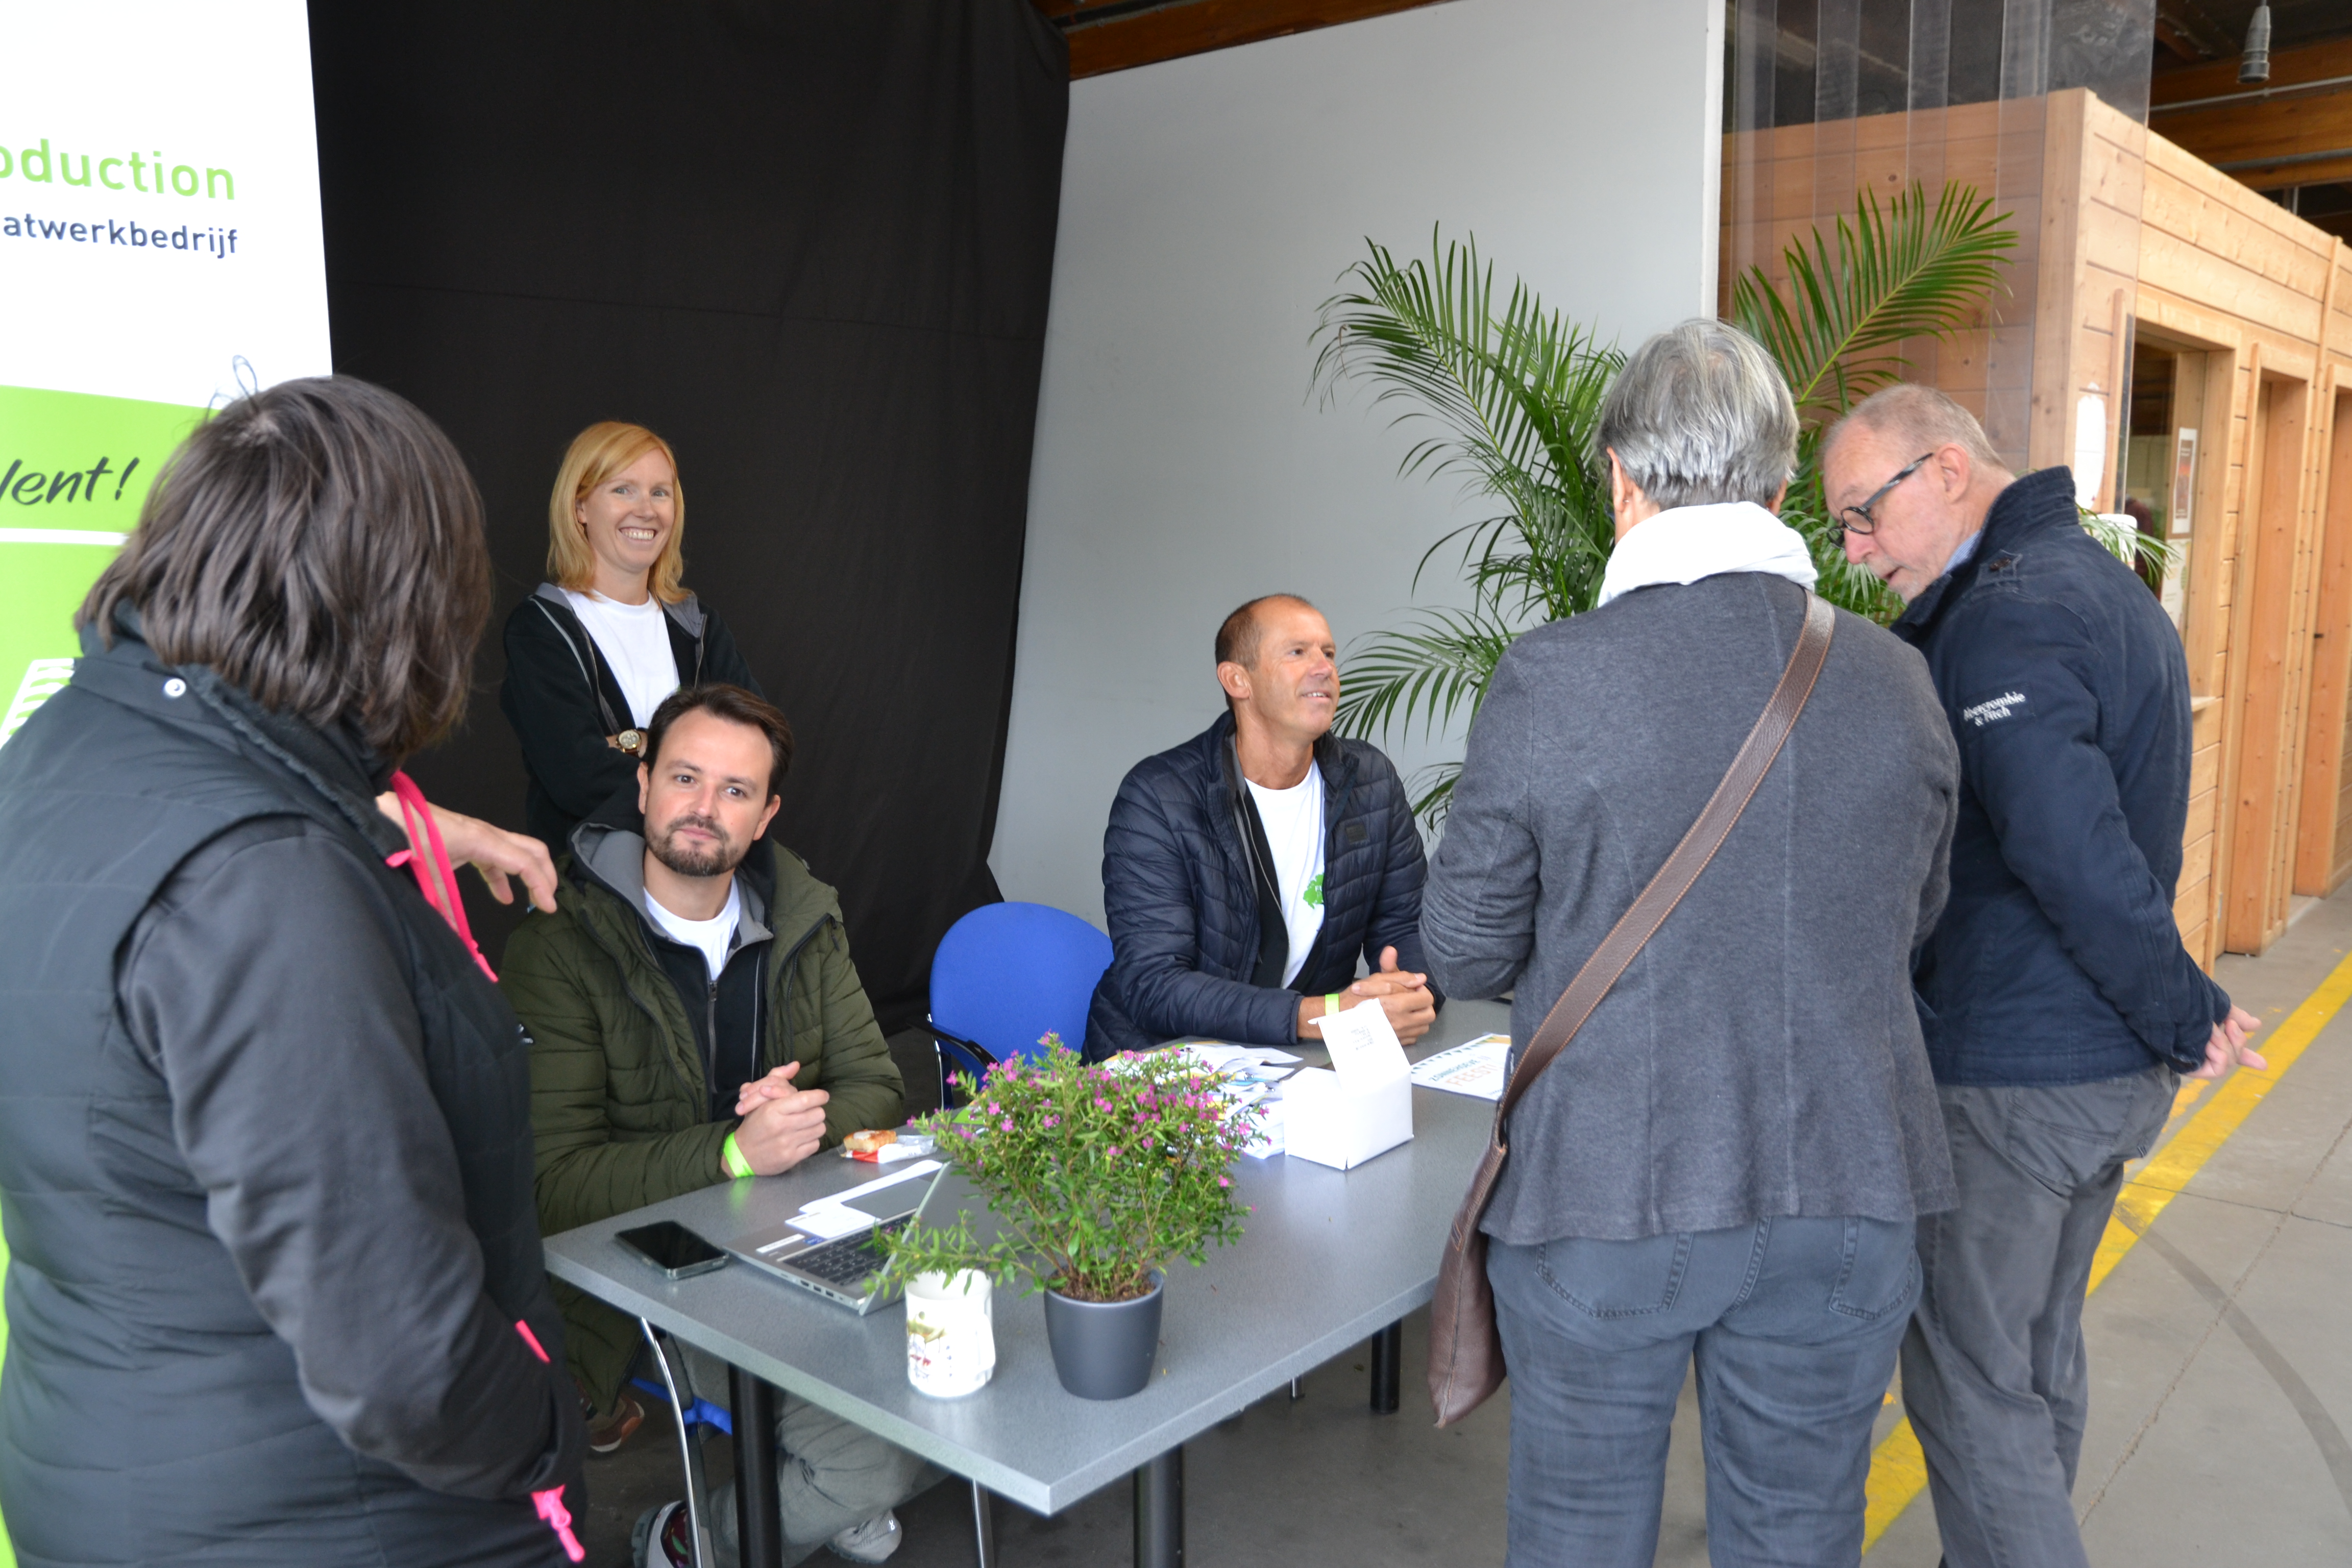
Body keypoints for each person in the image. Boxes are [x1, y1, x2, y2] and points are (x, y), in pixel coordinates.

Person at [0, 377, 586, 1566]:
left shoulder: (55, 762)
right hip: (333, 1514)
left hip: (102, 1459)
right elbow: (404, 1356)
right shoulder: (261, 877)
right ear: (402, 608)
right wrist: (544, 1431)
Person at [1420, 320, 1962, 1566]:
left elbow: (1464, 950)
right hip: (1849, 1184)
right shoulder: (1897, 679)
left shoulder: (1556, 676)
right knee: (1797, 1533)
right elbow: (1916, 921)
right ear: (1779, 487)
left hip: (1610, 1190)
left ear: (1622, 480)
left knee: (1580, 1533)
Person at [1822, 383, 2265, 1568]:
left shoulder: (2005, 620)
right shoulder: (2100, 587)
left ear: (1945, 470)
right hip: (2092, 1066)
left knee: (1971, 1391)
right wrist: (2170, 1012)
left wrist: (2184, 1006)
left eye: (1863, 514)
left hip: (2016, 1077)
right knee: (2034, 1359)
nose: (1855, 551)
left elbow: (2069, 850)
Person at [499, 682, 928, 1567]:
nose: (704, 807)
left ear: (765, 815)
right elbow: (553, 1187)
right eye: (685, 777)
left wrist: (792, 1124)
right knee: (872, 1464)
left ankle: (818, 1486)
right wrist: (731, 1152)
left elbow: (878, 1087)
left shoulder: (804, 916)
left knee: (975, 1376)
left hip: (808, 1235)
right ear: (644, 783)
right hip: (650, 1270)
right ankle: (692, 1538)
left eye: (735, 790)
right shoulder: (559, 943)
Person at [1083, 593, 1439, 1061]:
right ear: (1238, 680)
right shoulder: (1158, 796)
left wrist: (1408, 990)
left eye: (1329, 653)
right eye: (1298, 652)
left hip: (1299, 1062)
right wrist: (1326, 1015)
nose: (1324, 668)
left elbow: (1407, 925)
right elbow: (1156, 985)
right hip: (1161, 1067)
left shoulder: (1371, 782)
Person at [501, 420, 763, 855]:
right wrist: (700, 770)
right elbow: (577, 776)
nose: (646, 510)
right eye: (623, 490)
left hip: (705, 878)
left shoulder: (699, 627)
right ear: (580, 507)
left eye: (660, 493)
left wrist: (634, 742)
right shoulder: (541, 628)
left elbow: (759, 746)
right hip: (591, 882)